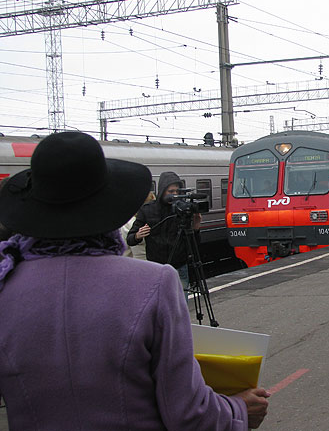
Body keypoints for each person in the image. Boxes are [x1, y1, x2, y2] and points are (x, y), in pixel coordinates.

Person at [0, 132, 269, 430]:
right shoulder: (154, 283)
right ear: (109, 203)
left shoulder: (6, 285)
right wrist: (240, 409)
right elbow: (189, 413)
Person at [127, 172, 199, 290]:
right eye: (171, 191)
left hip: (179, 266)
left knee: (180, 305)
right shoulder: (147, 210)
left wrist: (196, 227)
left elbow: (193, 244)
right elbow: (130, 239)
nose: (174, 195)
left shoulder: (182, 209)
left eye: (177, 191)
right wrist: (137, 235)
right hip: (156, 267)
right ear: (162, 190)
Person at [120, 191, 156, 260]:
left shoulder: (127, 223)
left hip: (136, 263)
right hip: (156, 264)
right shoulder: (157, 219)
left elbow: (125, 249)